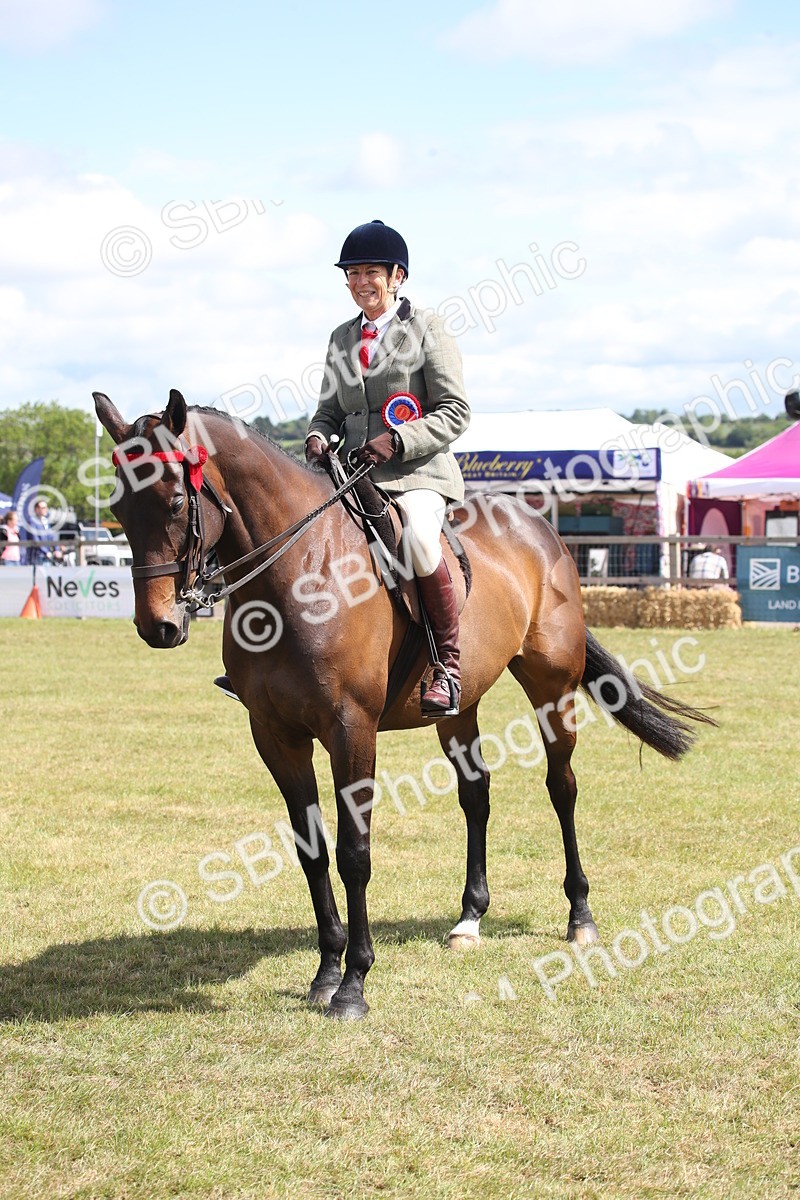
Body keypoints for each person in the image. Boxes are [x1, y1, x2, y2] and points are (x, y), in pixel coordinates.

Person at [304, 219, 470, 717]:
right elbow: (329, 410)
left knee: (419, 540)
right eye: (351, 274)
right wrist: (315, 434)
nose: (359, 283)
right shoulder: (341, 337)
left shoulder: (427, 328)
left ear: (397, 275)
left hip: (416, 473)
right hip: (352, 475)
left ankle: (447, 667)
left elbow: (455, 410)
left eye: (369, 272)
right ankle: (277, 659)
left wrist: (398, 438)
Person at [23, 498, 58, 565]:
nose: (45, 510)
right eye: (43, 508)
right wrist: (45, 551)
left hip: (47, 555)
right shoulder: (32, 521)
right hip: (37, 555)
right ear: (36, 509)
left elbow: (51, 536)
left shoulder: (46, 521)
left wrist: (56, 549)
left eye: (45, 508)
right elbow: (35, 538)